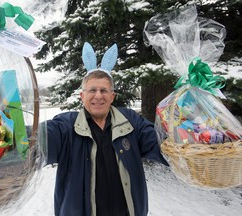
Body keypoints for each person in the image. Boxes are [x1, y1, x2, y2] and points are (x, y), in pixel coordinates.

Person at [44, 42, 168, 216]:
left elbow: (163, 144)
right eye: (92, 90)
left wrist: (189, 133)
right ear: (82, 96)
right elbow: (40, 140)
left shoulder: (131, 122)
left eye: (104, 90)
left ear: (112, 96)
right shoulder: (66, 126)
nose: (98, 96)